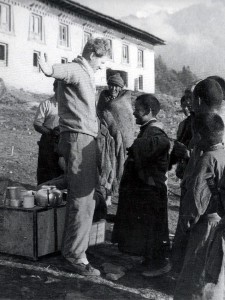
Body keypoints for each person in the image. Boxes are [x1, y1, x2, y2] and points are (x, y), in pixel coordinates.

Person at [38, 38, 110, 276]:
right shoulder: (78, 69)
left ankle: (72, 248)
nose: (101, 66)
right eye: (101, 60)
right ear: (92, 54)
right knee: (83, 198)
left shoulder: (85, 73)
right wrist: (48, 69)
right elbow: (61, 71)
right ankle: (75, 255)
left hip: (80, 139)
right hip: (78, 138)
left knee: (80, 192)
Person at [112, 94, 171, 277]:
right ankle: (149, 260)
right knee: (146, 228)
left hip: (151, 189)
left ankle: (158, 264)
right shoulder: (148, 130)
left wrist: (137, 147)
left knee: (153, 228)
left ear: (149, 111)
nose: (134, 113)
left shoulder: (155, 133)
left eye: (137, 110)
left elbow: (159, 148)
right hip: (146, 189)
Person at [171, 78, 224, 274]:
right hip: (210, 203)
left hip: (204, 207)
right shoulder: (216, 123)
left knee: (199, 251)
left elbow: (205, 175)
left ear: (199, 101)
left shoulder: (208, 126)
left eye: (191, 100)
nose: (189, 105)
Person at [174, 113, 225, 300]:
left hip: (204, 225)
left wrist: (186, 224)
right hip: (219, 224)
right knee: (210, 272)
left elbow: (197, 198)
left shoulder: (207, 160)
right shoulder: (223, 154)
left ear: (199, 137)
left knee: (195, 273)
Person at [97, 73, 135, 200]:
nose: (113, 89)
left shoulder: (125, 101)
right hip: (107, 138)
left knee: (122, 165)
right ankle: (108, 194)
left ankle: (121, 193)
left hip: (124, 139)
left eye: (117, 86)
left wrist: (122, 135)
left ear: (121, 87)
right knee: (108, 165)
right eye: (111, 85)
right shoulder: (103, 98)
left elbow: (128, 121)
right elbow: (100, 115)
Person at [33, 80, 63, 185]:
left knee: (61, 171)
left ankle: (59, 197)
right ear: (55, 89)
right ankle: (42, 196)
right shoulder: (46, 104)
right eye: (60, 88)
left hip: (63, 142)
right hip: (48, 141)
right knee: (45, 171)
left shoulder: (69, 106)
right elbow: (37, 124)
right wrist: (50, 132)